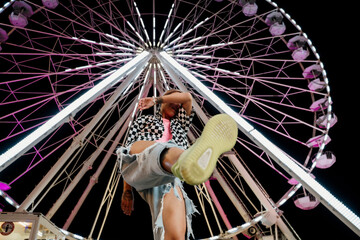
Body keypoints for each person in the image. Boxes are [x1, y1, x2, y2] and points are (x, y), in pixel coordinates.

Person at [116, 89, 237, 240]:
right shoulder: (143, 120)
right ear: (163, 102)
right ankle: (187, 160)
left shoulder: (180, 124)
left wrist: (156, 100)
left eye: (178, 104)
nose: (177, 105)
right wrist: (127, 191)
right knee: (160, 150)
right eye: (172, 100)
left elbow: (187, 98)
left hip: (169, 177)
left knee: (176, 235)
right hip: (139, 161)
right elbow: (126, 153)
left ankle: (185, 161)